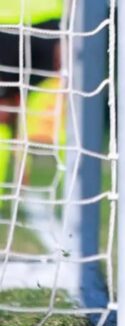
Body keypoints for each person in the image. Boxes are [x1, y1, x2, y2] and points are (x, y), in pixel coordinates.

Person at [0, 0, 65, 203]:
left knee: (44, 103)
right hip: (14, 21)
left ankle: (68, 194)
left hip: (42, 22)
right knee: (7, 110)